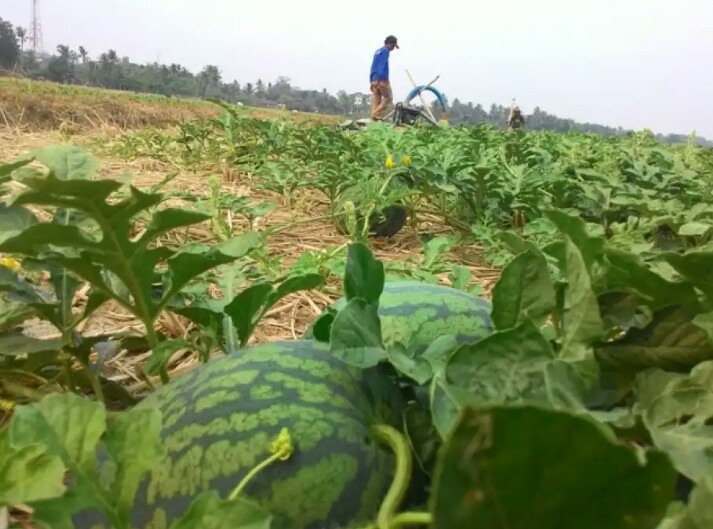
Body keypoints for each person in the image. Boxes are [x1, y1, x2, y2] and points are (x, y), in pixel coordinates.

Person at [370, 35, 399, 121]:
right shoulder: (385, 51)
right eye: (393, 46)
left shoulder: (377, 51)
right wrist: (382, 80)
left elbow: (373, 66)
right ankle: (375, 114)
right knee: (388, 98)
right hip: (381, 79)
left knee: (377, 100)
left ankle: (374, 120)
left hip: (374, 78)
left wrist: (372, 80)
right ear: (390, 44)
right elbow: (381, 66)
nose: (393, 48)